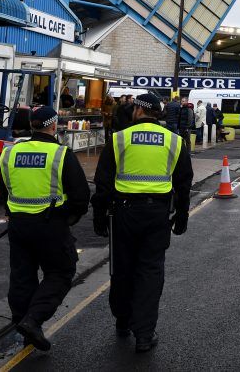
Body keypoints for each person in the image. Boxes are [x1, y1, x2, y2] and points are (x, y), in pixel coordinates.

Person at [91, 93, 193, 352]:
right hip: (158, 214)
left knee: (122, 269)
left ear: (137, 110)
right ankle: (145, 335)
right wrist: (182, 215)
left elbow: (102, 183)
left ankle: (123, 321)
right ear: (157, 113)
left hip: (123, 213)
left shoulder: (119, 138)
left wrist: (99, 215)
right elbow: (183, 182)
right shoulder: (175, 140)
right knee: (150, 272)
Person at [0, 106, 90, 351]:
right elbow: (81, 197)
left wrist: (10, 212)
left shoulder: (10, 153)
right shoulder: (60, 154)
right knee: (60, 272)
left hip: (18, 224)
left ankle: (22, 324)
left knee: (21, 276)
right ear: (52, 125)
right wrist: (69, 218)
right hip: (51, 225)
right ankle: (33, 320)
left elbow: (2, 189)